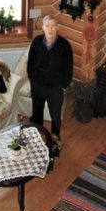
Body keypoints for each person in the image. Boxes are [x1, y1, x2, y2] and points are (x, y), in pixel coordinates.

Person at [27, 14, 73, 152]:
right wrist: (32, 79)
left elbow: (68, 67)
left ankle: (55, 141)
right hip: (38, 86)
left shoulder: (64, 45)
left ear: (57, 28)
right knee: (36, 114)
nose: (50, 29)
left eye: (53, 26)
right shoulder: (36, 42)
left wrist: (63, 85)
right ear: (43, 28)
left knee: (55, 116)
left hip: (55, 88)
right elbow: (31, 63)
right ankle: (37, 137)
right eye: (47, 26)